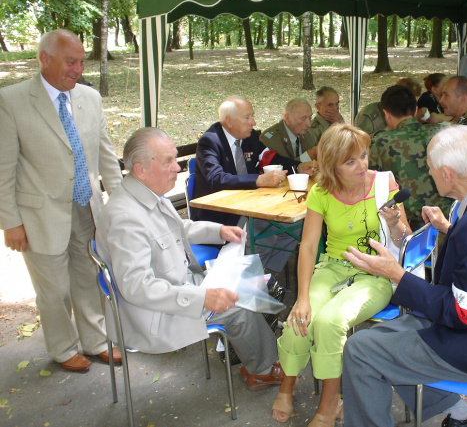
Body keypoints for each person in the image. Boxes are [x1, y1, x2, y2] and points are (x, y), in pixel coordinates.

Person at [341, 125, 467, 427]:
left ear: (447, 174)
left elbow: (461, 313)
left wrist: (395, 273)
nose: (428, 171)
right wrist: (451, 230)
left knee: (361, 350)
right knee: (379, 338)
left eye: (431, 167)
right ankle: (463, 416)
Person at [95, 127, 284, 391]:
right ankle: (262, 369)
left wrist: (218, 231)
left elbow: (178, 228)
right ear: (140, 169)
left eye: (176, 159)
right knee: (239, 301)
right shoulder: (126, 217)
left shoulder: (142, 194)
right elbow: (137, 287)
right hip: (154, 313)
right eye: (168, 161)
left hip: (176, 287)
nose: (177, 167)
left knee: (250, 280)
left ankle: (254, 356)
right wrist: (202, 298)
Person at [272, 124, 411, 426]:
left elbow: (405, 241)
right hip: (333, 265)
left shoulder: (384, 184)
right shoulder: (321, 190)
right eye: (350, 161)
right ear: (331, 166)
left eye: (363, 156)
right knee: (300, 315)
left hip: (376, 272)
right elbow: (308, 247)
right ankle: (288, 383)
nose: (362, 165)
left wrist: (396, 222)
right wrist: (303, 297)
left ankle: (329, 403)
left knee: (330, 322)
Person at [0, 29, 123, 372]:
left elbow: (105, 154)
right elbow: (3, 168)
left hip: (87, 207)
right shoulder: (11, 100)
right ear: (44, 58)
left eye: (82, 61)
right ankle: (62, 347)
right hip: (38, 214)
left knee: (88, 277)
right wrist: (11, 223)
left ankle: (95, 340)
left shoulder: (89, 97)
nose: (78, 69)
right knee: (54, 290)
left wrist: (119, 200)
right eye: (71, 62)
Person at [191, 97, 314, 275]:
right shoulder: (210, 141)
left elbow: (271, 158)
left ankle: (267, 275)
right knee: (265, 237)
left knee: (298, 228)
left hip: (250, 207)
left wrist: (297, 166)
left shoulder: (250, 137)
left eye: (252, 116)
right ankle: (244, 283)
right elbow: (216, 178)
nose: (254, 122)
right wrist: (258, 180)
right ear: (229, 121)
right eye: (247, 117)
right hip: (222, 215)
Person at [369, 84, 452, 229]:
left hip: (409, 226)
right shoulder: (441, 132)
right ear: (415, 110)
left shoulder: (383, 141)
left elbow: (370, 179)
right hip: (448, 218)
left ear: (386, 114)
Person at [355, 78, 422, 135]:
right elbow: (359, 140)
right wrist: (385, 132)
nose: (410, 102)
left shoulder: (408, 112)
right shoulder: (369, 113)